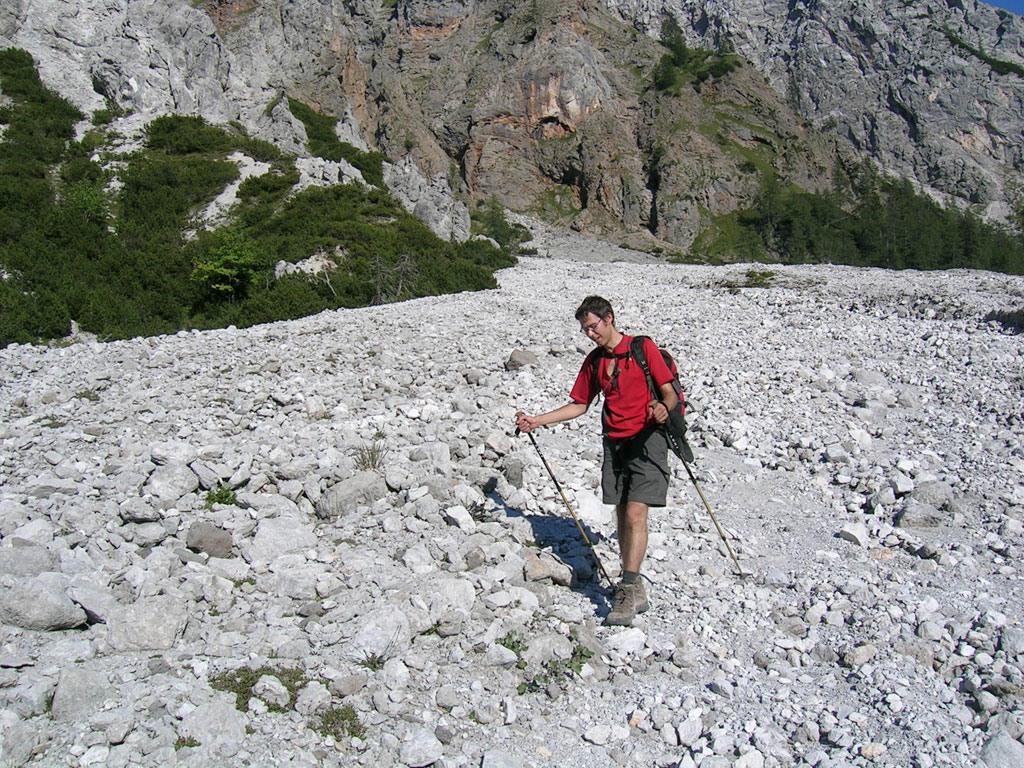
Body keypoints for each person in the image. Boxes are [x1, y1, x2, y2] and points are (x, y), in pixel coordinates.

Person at [516, 296, 678, 625]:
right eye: (585, 330)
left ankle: (628, 588)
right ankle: (633, 583)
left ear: (609, 318)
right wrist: (538, 420)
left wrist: (663, 408)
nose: (590, 334)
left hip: (648, 440)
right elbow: (579, 404)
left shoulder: (643, 349)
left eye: (592, 327)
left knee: (635, 511)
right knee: (621, 512)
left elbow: (670, 392)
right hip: (614, 443)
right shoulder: (594, 362)